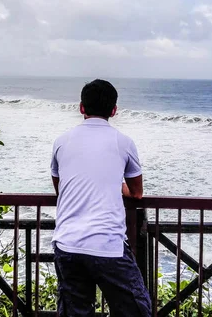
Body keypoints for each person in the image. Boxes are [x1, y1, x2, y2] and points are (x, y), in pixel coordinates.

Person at [50, 79, 152, 317]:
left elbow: (60, 186)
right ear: (114, 111)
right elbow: (136, 193)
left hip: (67, 244)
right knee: (136, 310)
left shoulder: (61, 141)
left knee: (75, 312)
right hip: (107, 245)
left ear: (81, 108)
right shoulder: (123, 142)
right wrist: (115, 186)